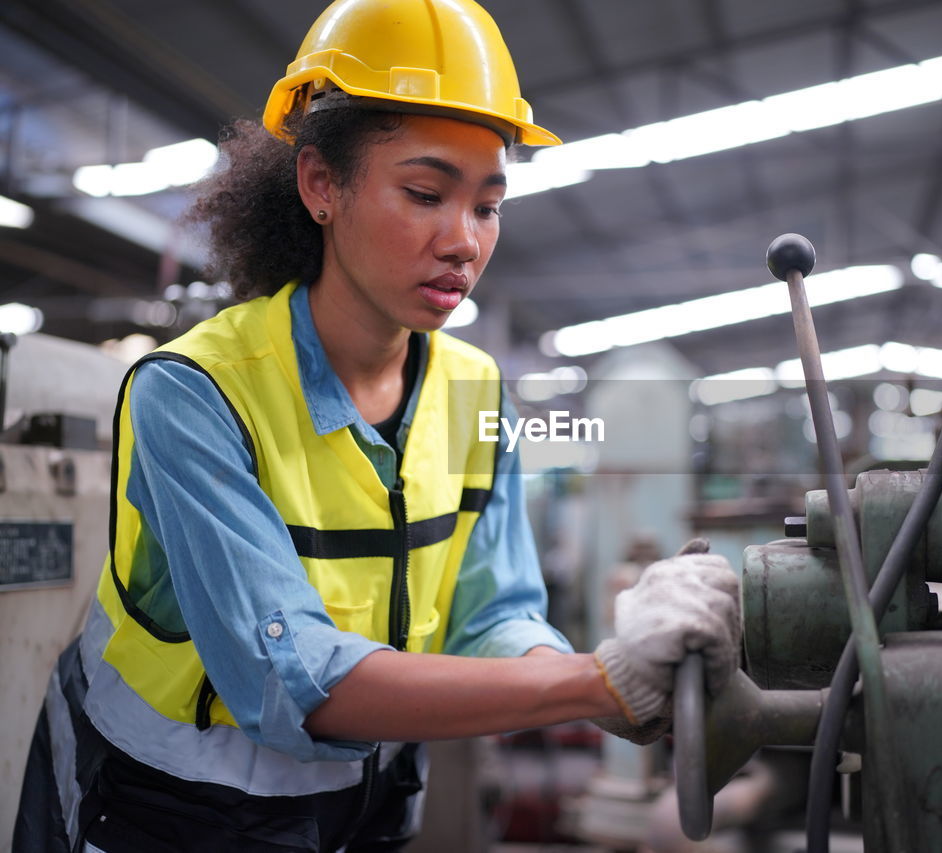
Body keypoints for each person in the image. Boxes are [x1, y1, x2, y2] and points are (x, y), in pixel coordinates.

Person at [12, 1, 741, 850]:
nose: (463, 241)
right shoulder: (195, 392)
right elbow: (297, 684)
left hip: (375, 805)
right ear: (322, 185)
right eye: (426, 193)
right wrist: (591, 685)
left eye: (487, 206)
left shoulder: (476, 389)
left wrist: (613, 673)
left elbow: (493, 615)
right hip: (166, 807)